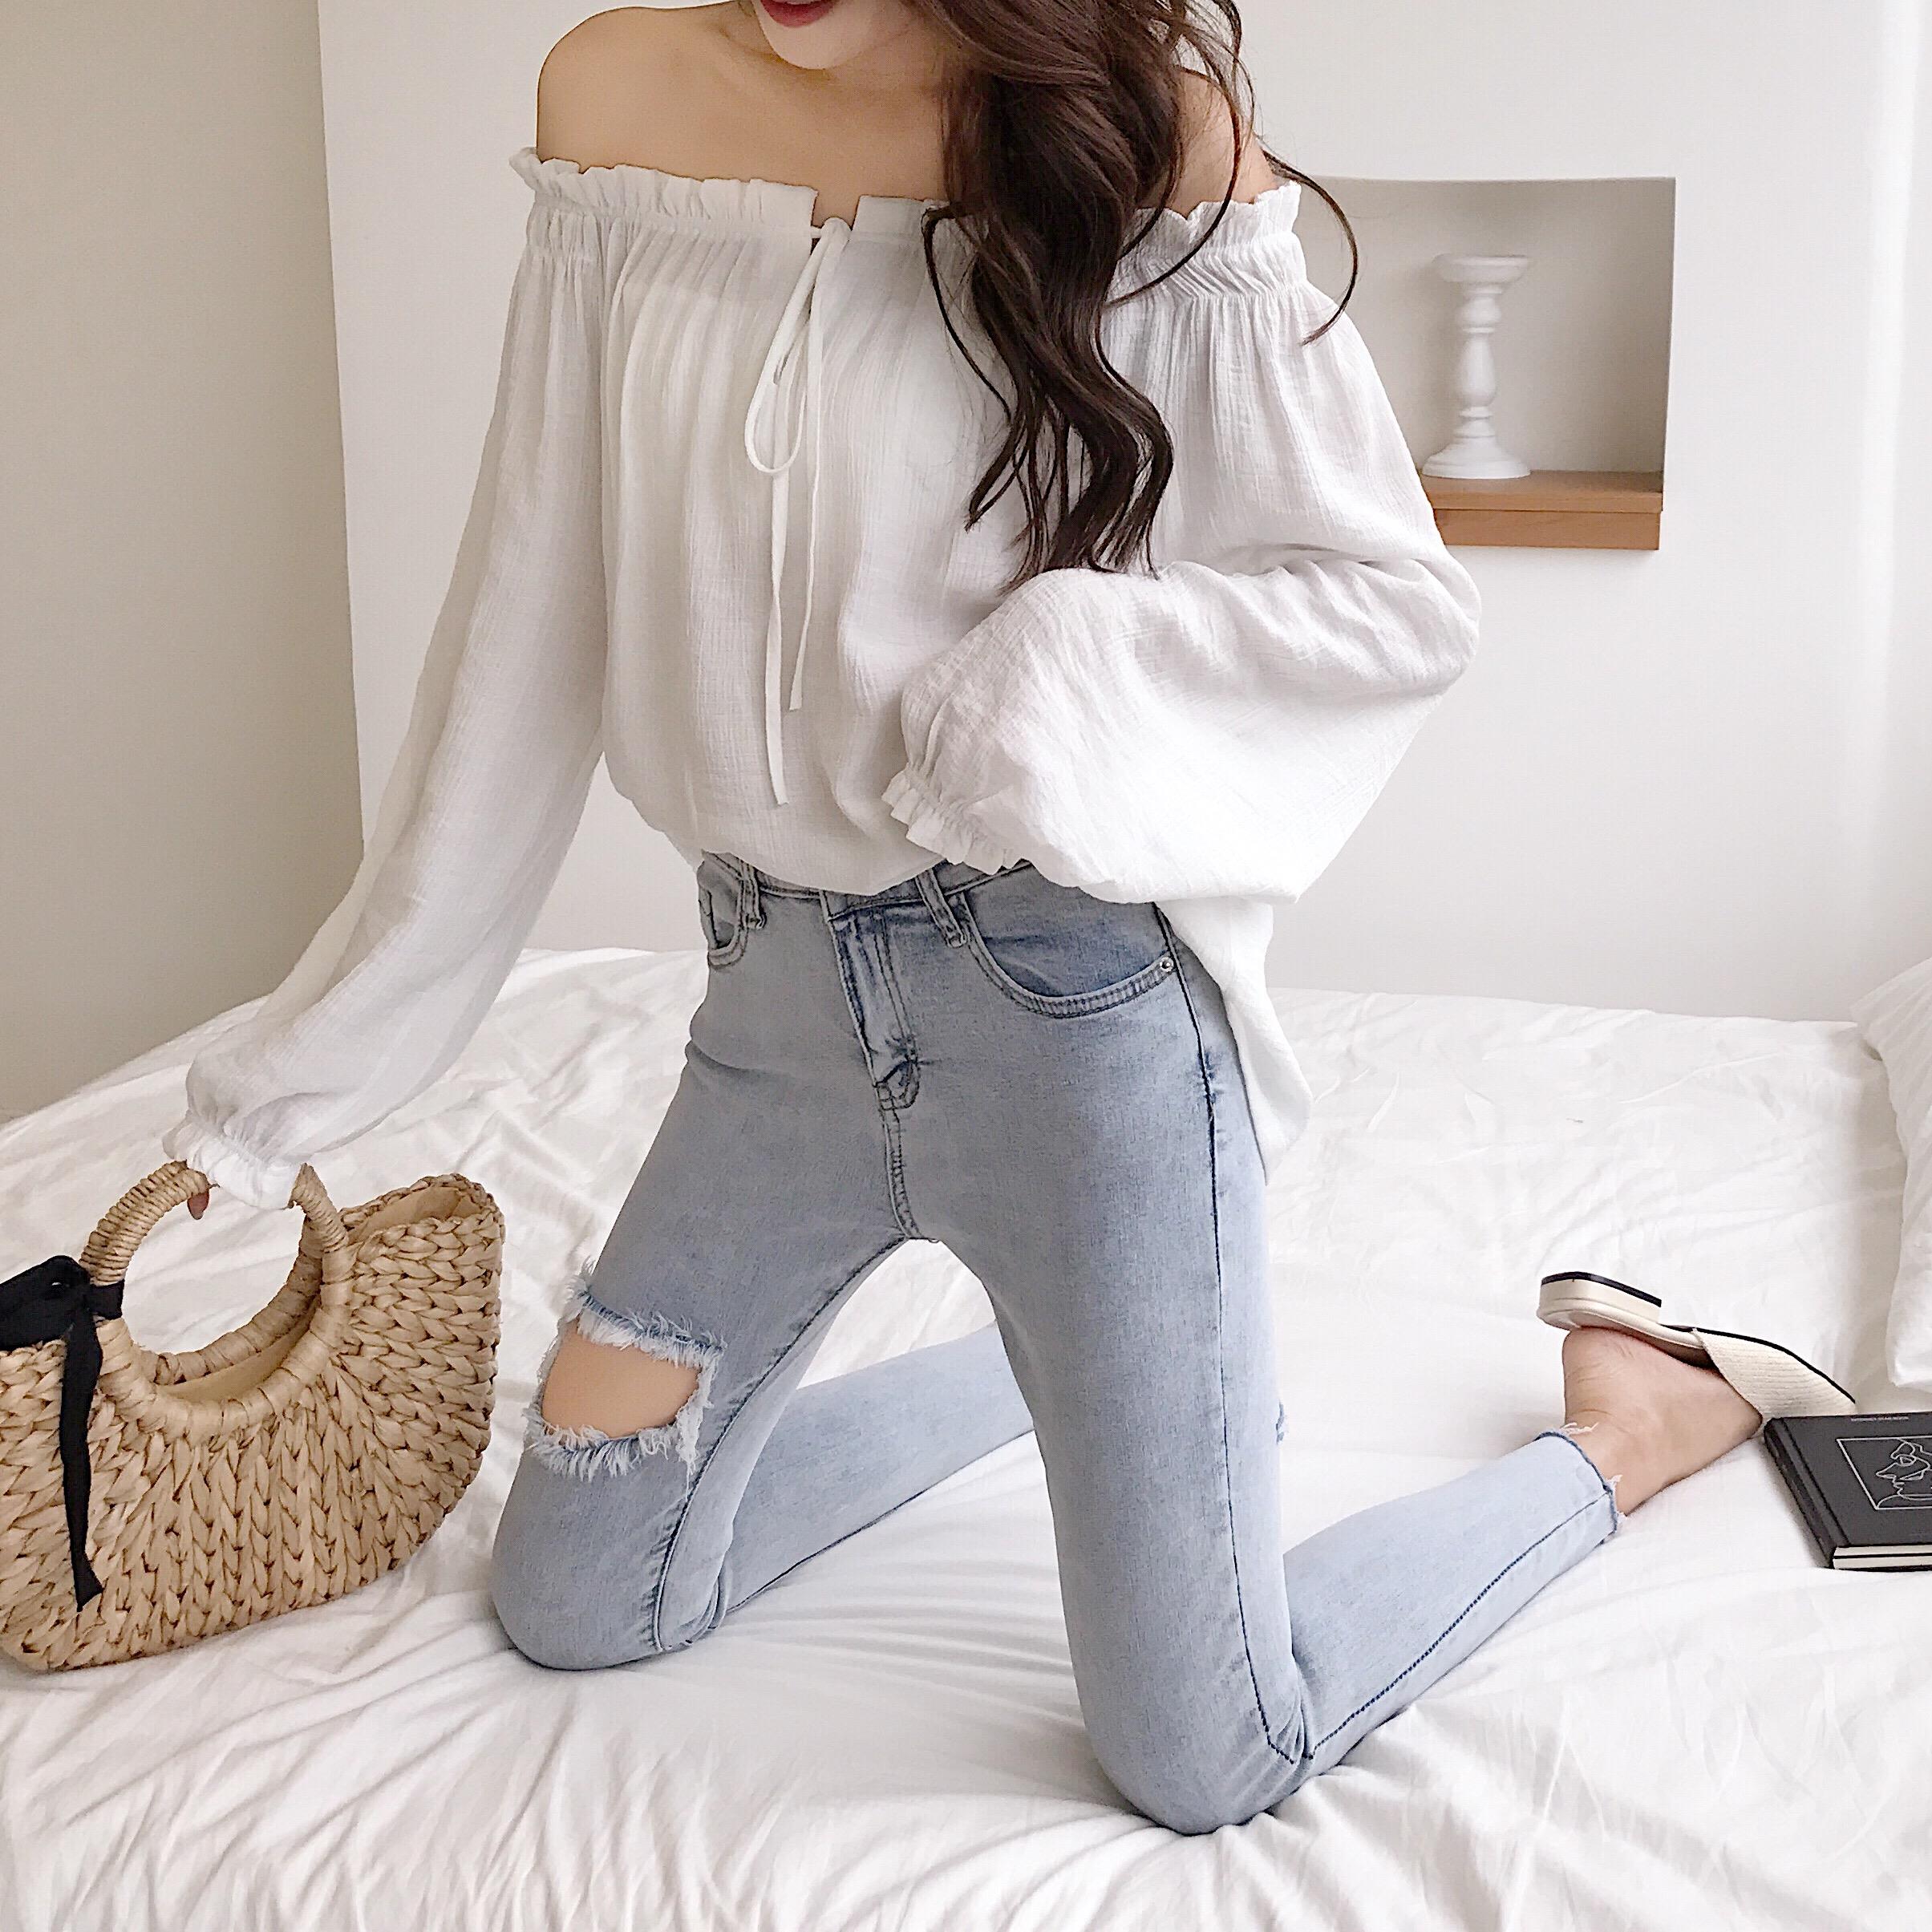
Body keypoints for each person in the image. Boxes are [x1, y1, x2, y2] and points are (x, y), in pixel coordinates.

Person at [164, 1, 1761, 1833]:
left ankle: (1620, 1435)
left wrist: (1061, 672)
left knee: (1204, 1751)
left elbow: (1388, 603)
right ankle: (1059, 1384)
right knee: (581, 1590)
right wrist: (287, 1084)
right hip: (769, 1020)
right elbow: (515, 635)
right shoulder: (614, 103)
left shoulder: (1143, 139)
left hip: (1074, 1026)